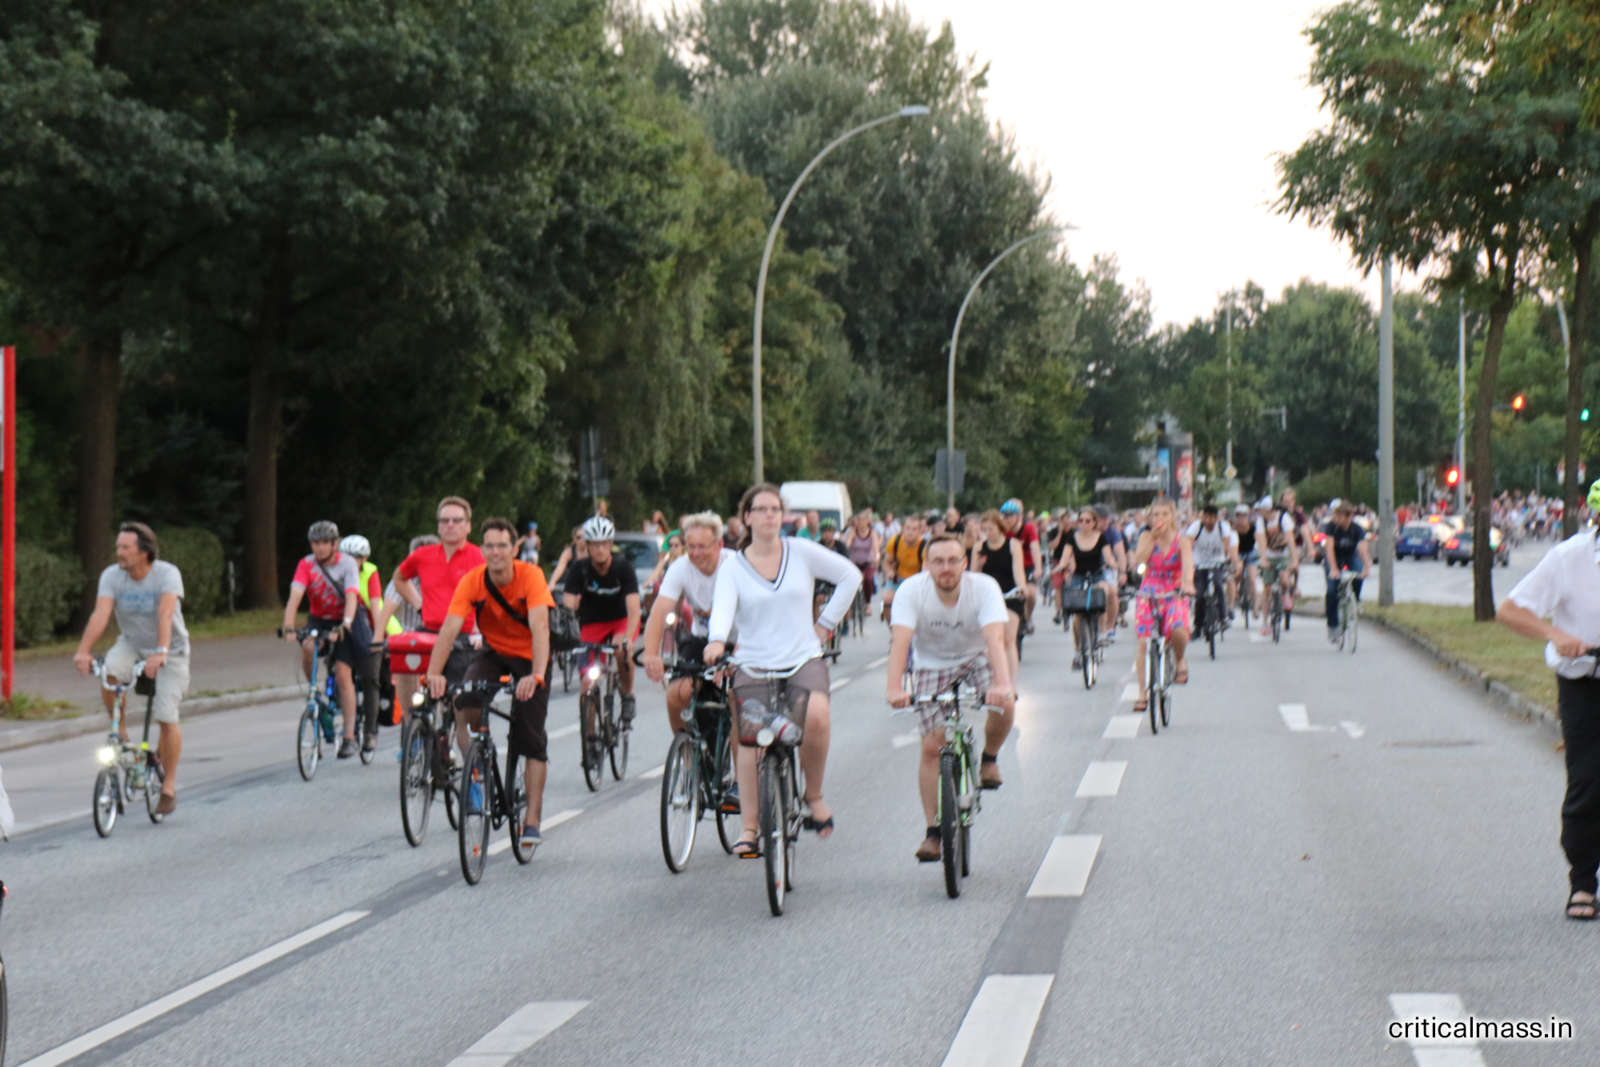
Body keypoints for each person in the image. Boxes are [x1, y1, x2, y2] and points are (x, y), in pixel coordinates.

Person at [704, 484, 863, 857]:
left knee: (816, 716)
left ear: (782, 516)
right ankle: (749, 827)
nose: (769, 515)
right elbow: (722, 609)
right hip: (754, 662)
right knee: (751, 739)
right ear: (747, 517)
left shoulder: (801, 552)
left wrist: (824, 625)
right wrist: (716, 641)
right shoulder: (733, 567)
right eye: (760, 509)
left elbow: (851, 577)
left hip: (802, 657)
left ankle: (813, 796)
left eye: (775, 509)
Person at [1497, 478, 1600, 919]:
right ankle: (1583, 881)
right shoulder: (1569, 558)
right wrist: (1556, 635)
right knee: (1588, 780)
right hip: (1584, 681)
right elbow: (1510, 610)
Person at [424, 518, 554, 851]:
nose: (496, 552)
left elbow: (540, 627)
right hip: (495, 654)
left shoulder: (530, 576)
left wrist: (537, 675)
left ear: (514, 549)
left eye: (502, 546)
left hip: (531, 658)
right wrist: (433, 673)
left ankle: (532, 820)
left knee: (530, 738)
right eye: (490, 546)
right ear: (482, 550)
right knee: (465, 699)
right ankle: (479, 756)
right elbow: (450, 629)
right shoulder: (473, 580)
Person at [886, 534, 1016, 862]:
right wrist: (894, 688)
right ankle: (933, 832)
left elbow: (995, 640)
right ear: (926, 565)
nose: (946, 568)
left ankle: (989, 758)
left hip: (977, 657)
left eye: (953, 561)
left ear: (964, 563)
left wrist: (1003, 684)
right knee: (932, 747)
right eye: (938, 561)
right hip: (932, 665)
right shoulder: (911, 590)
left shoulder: (984, 587)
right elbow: (900, 642)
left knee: (1006, 704)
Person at [73, 522, 188, 815]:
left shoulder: (167, 574)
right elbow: (101, 613)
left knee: (166, 715)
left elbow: (165, 613)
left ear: (144, 552)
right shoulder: (112, 576)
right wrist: (83, 651)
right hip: (132, 643)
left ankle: (168, 786)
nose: (119, 552)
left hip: (171, 650)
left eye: (126, 547)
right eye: (118, 547)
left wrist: (161, 652)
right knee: (109, 671)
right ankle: (121, 733)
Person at [376, 496, 485, 716]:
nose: (450, 525)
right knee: (404, 662)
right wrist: (419, 605)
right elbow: (399, 579)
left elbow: (494, 597)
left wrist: (481, 631)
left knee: (460, 703)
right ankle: (411, 724)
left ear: (468, 526)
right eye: (444, 520)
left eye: (457, 520)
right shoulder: (423, 555)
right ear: (438, 526)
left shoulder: (480, 557)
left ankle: (459, 730)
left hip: (464, 635)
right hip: (429, 631)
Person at [281, 521, 372, 758]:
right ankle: (314, 691)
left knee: (343, 674)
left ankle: (349, 737)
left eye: (324, 543)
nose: (319, 548)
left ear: (334, 544)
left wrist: (346, 624)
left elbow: (351, 597)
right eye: (315, 543)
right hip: (319, 619)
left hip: (345, 619)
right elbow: (295, 596)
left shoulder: (347, 564)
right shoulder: (306, 564)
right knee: (308, 645)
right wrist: (288, 626)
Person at [642, 513, 732, 734]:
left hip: (738, 641)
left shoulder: (735, 565)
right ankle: (686, 749)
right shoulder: (680, 567)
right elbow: (659, 612)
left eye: (702, 547)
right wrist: (651, 654)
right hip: (701, 639)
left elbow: (754, 617)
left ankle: (738, 753)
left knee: (739, 701)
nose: (696, 553)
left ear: (719, 544)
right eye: (691, 547)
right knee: (677, 693)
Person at [562, 515, 642, 725]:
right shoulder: (579, 569)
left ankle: (628, 694)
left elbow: (634, 609)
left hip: (620, 620)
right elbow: (568, 606)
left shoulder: (623, 567)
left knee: (621, 650)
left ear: (610, 544)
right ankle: (589, 737)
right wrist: (567, 633)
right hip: (592, 623)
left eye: (604, 544)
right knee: (587, 683)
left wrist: (628, 639)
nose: (600, 549)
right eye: (595, 544)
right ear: (587, 546)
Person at [1132, 498, 1194, 711]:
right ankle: (1142, 693)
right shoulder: (1146, 537)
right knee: (1143, 642)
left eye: (1164, 514)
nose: (1160, 519)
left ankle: (1180, 658)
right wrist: (1152, 539)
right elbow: (1139, 561)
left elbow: (1188, 566)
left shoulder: (1182, 541)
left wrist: (1187, 584)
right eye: (1156, 515)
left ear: (1172, 516)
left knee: (1178, 629)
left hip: (1173, 590)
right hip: (1149, 591)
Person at [340, 533, 392, 742]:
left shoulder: (370, 573)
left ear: (364, 559)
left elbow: (376, 605)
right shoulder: (337, 572)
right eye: (347, 556)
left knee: (371, 679)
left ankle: (371, 732)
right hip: (345, 629)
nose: (351, 561)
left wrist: (378, 637)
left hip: (370, 627)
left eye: (356, 557)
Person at [1052, 506, 1119, 662]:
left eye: (1088, 521)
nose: (1084, 524)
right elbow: (1064, 559)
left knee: (1103, 592)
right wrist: (1058, 568)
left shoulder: (1101, 538)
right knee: (1078, 615)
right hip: (1078, 577)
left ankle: (1101, 632)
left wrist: (1115, 565)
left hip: (1097, 576)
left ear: (1094, 522)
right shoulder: (1072, 538)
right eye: (1081, 521)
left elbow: (1108, 557)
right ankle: (1077, 650)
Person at [971, 508, 1027, 685]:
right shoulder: (979, 547)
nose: (988, 533)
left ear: (999, 527)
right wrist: (979, 565)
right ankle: (994, 679)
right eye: (985, 529)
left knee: (1009, 639)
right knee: (991, 641)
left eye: (991, 529)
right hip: (988, 597)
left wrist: (1022, 588)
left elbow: (1018, 571)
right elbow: (973, 577)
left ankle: (1011, 684)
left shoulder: (1013, 545)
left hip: (1009, 595)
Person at [1183, 504, 1240, 639]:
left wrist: (1234, 563)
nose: (1208, 521)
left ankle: (1223, 617)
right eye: (1206, 517)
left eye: (1212, 518)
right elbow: (1187, 543)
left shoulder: (1223, 527)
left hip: (1217, 562)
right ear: (1202, 517)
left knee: (1218, 584)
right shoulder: (1196, 527)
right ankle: (1198, 627)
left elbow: (1228, 546)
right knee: (1200, 595)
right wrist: (1187, 562)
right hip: (1199, 563)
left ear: (1216, 518)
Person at [1320, 500, 1371, 640]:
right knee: (1332, 590)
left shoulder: (1357, 529)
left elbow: (1363, 550)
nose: (1336, 519)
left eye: (1339, 516)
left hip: (1350, 556)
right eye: (1335, 515)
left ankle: (1356, 599)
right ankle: (1332, 625)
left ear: (1348, 517)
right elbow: (1329, 549)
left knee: (1358, 573)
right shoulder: (1331, 527)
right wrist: (1333, 569)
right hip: (1334, 558)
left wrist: (1366, 568)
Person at [1256, 494, 1300, 633]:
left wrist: (1294, 559)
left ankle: (1285, 594)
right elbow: (1261, 541)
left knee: (1284, 580)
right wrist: (1263, 558)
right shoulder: (1261, 521)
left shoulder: (1284, 518)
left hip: (1283, 554)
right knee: (1267, 587)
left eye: (1265, 511)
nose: (1263, 513)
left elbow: (1290, 540)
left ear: (1271, 510)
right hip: (1269, 555)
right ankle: (1265, 622)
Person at [999, 499, 1040, 633]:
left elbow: (1035, 547)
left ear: (1018, 516)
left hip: (1027, 566)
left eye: (1010, 516)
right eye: (1005, 516)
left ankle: (1027, 617)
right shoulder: (1001, 530)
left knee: (1031, 594)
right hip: (1008, 567)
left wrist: (1038, 567)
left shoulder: (1028, 528)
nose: (1007, 520)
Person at [880, 512, 927, 623]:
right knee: (887, 600)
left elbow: (926, 571)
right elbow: (886, 562)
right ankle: (893, 628)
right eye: (908, 528)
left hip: (916, 581)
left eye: (914, 529)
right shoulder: (895, 541)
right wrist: (889, 572)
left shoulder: (924, 546)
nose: (910, 532)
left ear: (920, 531)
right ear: (903, 529)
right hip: (898, 578)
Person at [846, 511, 881, 614]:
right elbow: (847, 544)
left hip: (868, 562)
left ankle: (867, 604)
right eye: (859, 520)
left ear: (867, 521)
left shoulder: (872, 533)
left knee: (868, 579)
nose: (860, 522)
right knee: (850, 580)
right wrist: (846, 549)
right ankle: (849, 606)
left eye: (863, 520)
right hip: (854, 562)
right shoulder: (853, 532)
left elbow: (876, 547)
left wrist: (876, 557)